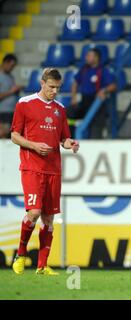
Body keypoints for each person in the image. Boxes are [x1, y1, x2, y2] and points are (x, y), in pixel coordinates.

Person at [10, 68, 79, 275]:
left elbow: (63, 139)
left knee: (48, 219)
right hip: (32, 167)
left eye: (58, 88)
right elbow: (14, 135)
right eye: (51, 87)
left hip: (53, 170)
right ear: (42, 83)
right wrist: (33, 145)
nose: (54, 91)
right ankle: (21, 255)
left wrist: (71, 143)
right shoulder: (25, 104)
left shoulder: (60, 109)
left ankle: (42, 265)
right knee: (34, 212)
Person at [67, 48, 116, 138]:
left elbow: (113, 86)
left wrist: (104, 90)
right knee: (69, 112)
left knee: (96, 128)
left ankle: (95, 141)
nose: (86, 58)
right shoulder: (84, 69)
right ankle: (70, 139)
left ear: (96, 58)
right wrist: (73, 97)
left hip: (96, 103)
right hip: (84, 101)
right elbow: (75, 83)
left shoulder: (103, 71)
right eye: (87, 55)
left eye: (89, 56)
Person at [0, 54, 23, 138]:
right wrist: (11, 91)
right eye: (11, 65)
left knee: (11, 137)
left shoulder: (10, 76)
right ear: (5, 62)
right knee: (3, 135)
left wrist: (16, 90)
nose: (12, 68)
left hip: (12, 112)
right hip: (3, 113)